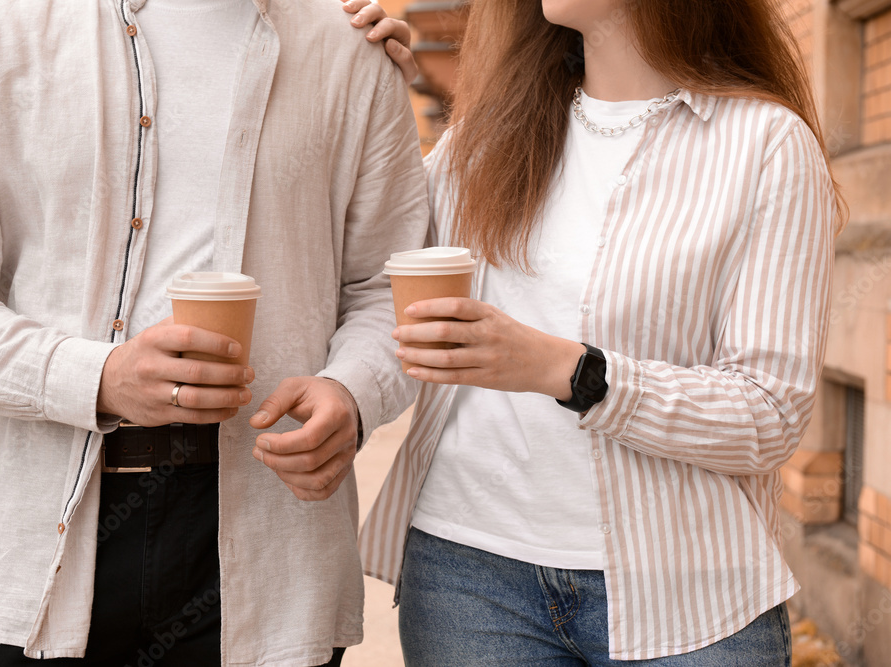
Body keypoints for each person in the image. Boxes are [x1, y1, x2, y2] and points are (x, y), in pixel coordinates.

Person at [0, 0, 428, 664]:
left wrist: (350, 394)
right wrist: (99, 378)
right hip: (40, 544)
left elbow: (389, 287)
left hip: (274, 548)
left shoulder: (350, 47)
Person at [335, 0, 843, 664]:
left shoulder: (766, 147)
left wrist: (571, 371)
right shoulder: (480, 139)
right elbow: (376, 293)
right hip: (468, 577)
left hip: (684, 594)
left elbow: (767, 415)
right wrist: (370, 88)